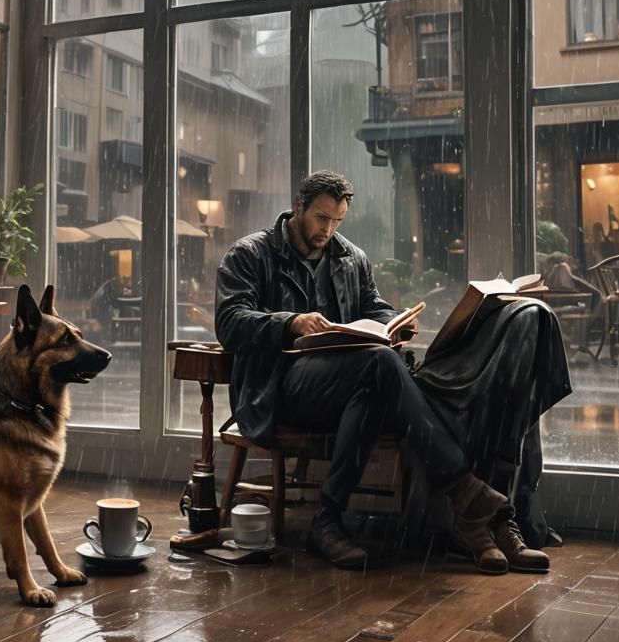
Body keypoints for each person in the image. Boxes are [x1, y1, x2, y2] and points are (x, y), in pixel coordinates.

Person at [215, 170, 548, 574]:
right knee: (380, 366)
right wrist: (290, 322)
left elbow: (372, 306)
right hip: (277, 388)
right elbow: (230, 322)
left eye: (338, 220)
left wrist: (393, 322)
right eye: (322, 219)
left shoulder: (349, 257)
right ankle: (466, 492)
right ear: (298, 208)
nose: (329, 230)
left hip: (341, 383)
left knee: (376, 383)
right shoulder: (250, 254)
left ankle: (329, 520)